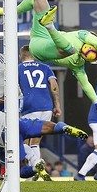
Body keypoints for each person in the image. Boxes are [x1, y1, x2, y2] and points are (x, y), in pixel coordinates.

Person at [0, 0, 97, 118]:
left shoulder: (78, 65)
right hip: (40, 35)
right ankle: (10, 12)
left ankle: (50, 25)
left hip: (39, 49)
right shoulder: (82, 34)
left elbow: (86, 85)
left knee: (71, 50)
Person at [0, 102, 88, 181]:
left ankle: (35, 167)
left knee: (20, 169)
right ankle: (63, 127)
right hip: (16, 122)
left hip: (7, 135)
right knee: (49, 127)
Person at [18, 45, 61, 181]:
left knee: (23, 141)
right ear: (34, 55)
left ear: (21, 56)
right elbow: (53, 85)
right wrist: (57, 105)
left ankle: (35, 167)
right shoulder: (45, 67)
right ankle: (35, 172)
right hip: (46, 107)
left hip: (29, 107)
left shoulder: (18, 68)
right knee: (35, 142)